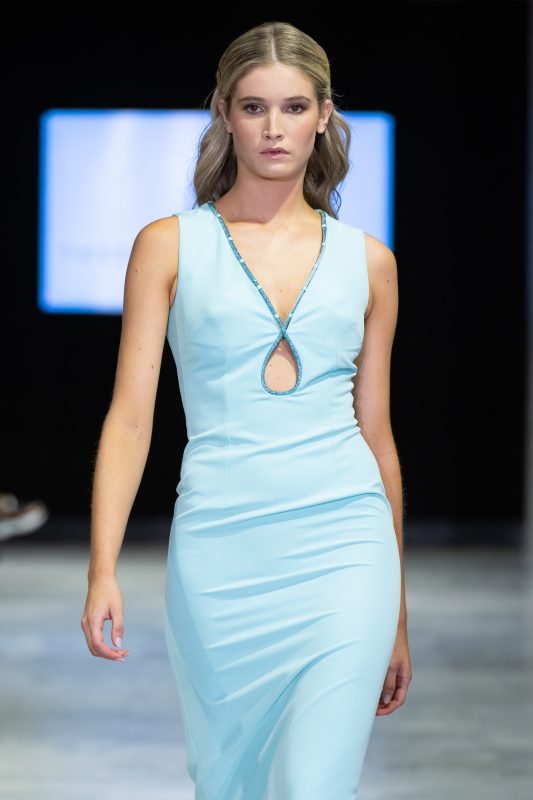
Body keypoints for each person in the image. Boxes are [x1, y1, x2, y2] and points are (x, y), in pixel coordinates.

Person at [81, 19, 412, 798]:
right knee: (230, 784)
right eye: (254, 106)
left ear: (323, 116)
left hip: (345, 548)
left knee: (313, 784)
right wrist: (101, 567)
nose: (273, 128)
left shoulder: (369, 261)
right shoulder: (168, 245)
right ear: (224, 114)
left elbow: (377, 437)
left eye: (293, 107)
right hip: (219, 553)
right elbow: (130, 419)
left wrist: (396, 612)